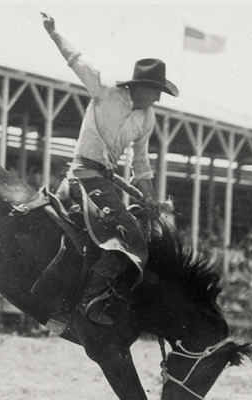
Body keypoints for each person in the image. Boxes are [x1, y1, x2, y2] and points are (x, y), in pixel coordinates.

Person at [42, 12, 177, 325]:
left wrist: (149, 197)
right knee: (130, 234)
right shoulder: (104, 90)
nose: (158, 97)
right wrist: (53, 32)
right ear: (142, 86)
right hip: (82, 176)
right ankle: (89, 302)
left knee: (133, 229)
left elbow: (141, 163)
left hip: (103, 180)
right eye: (156, 91)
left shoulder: (147, 118)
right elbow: (75, 59)